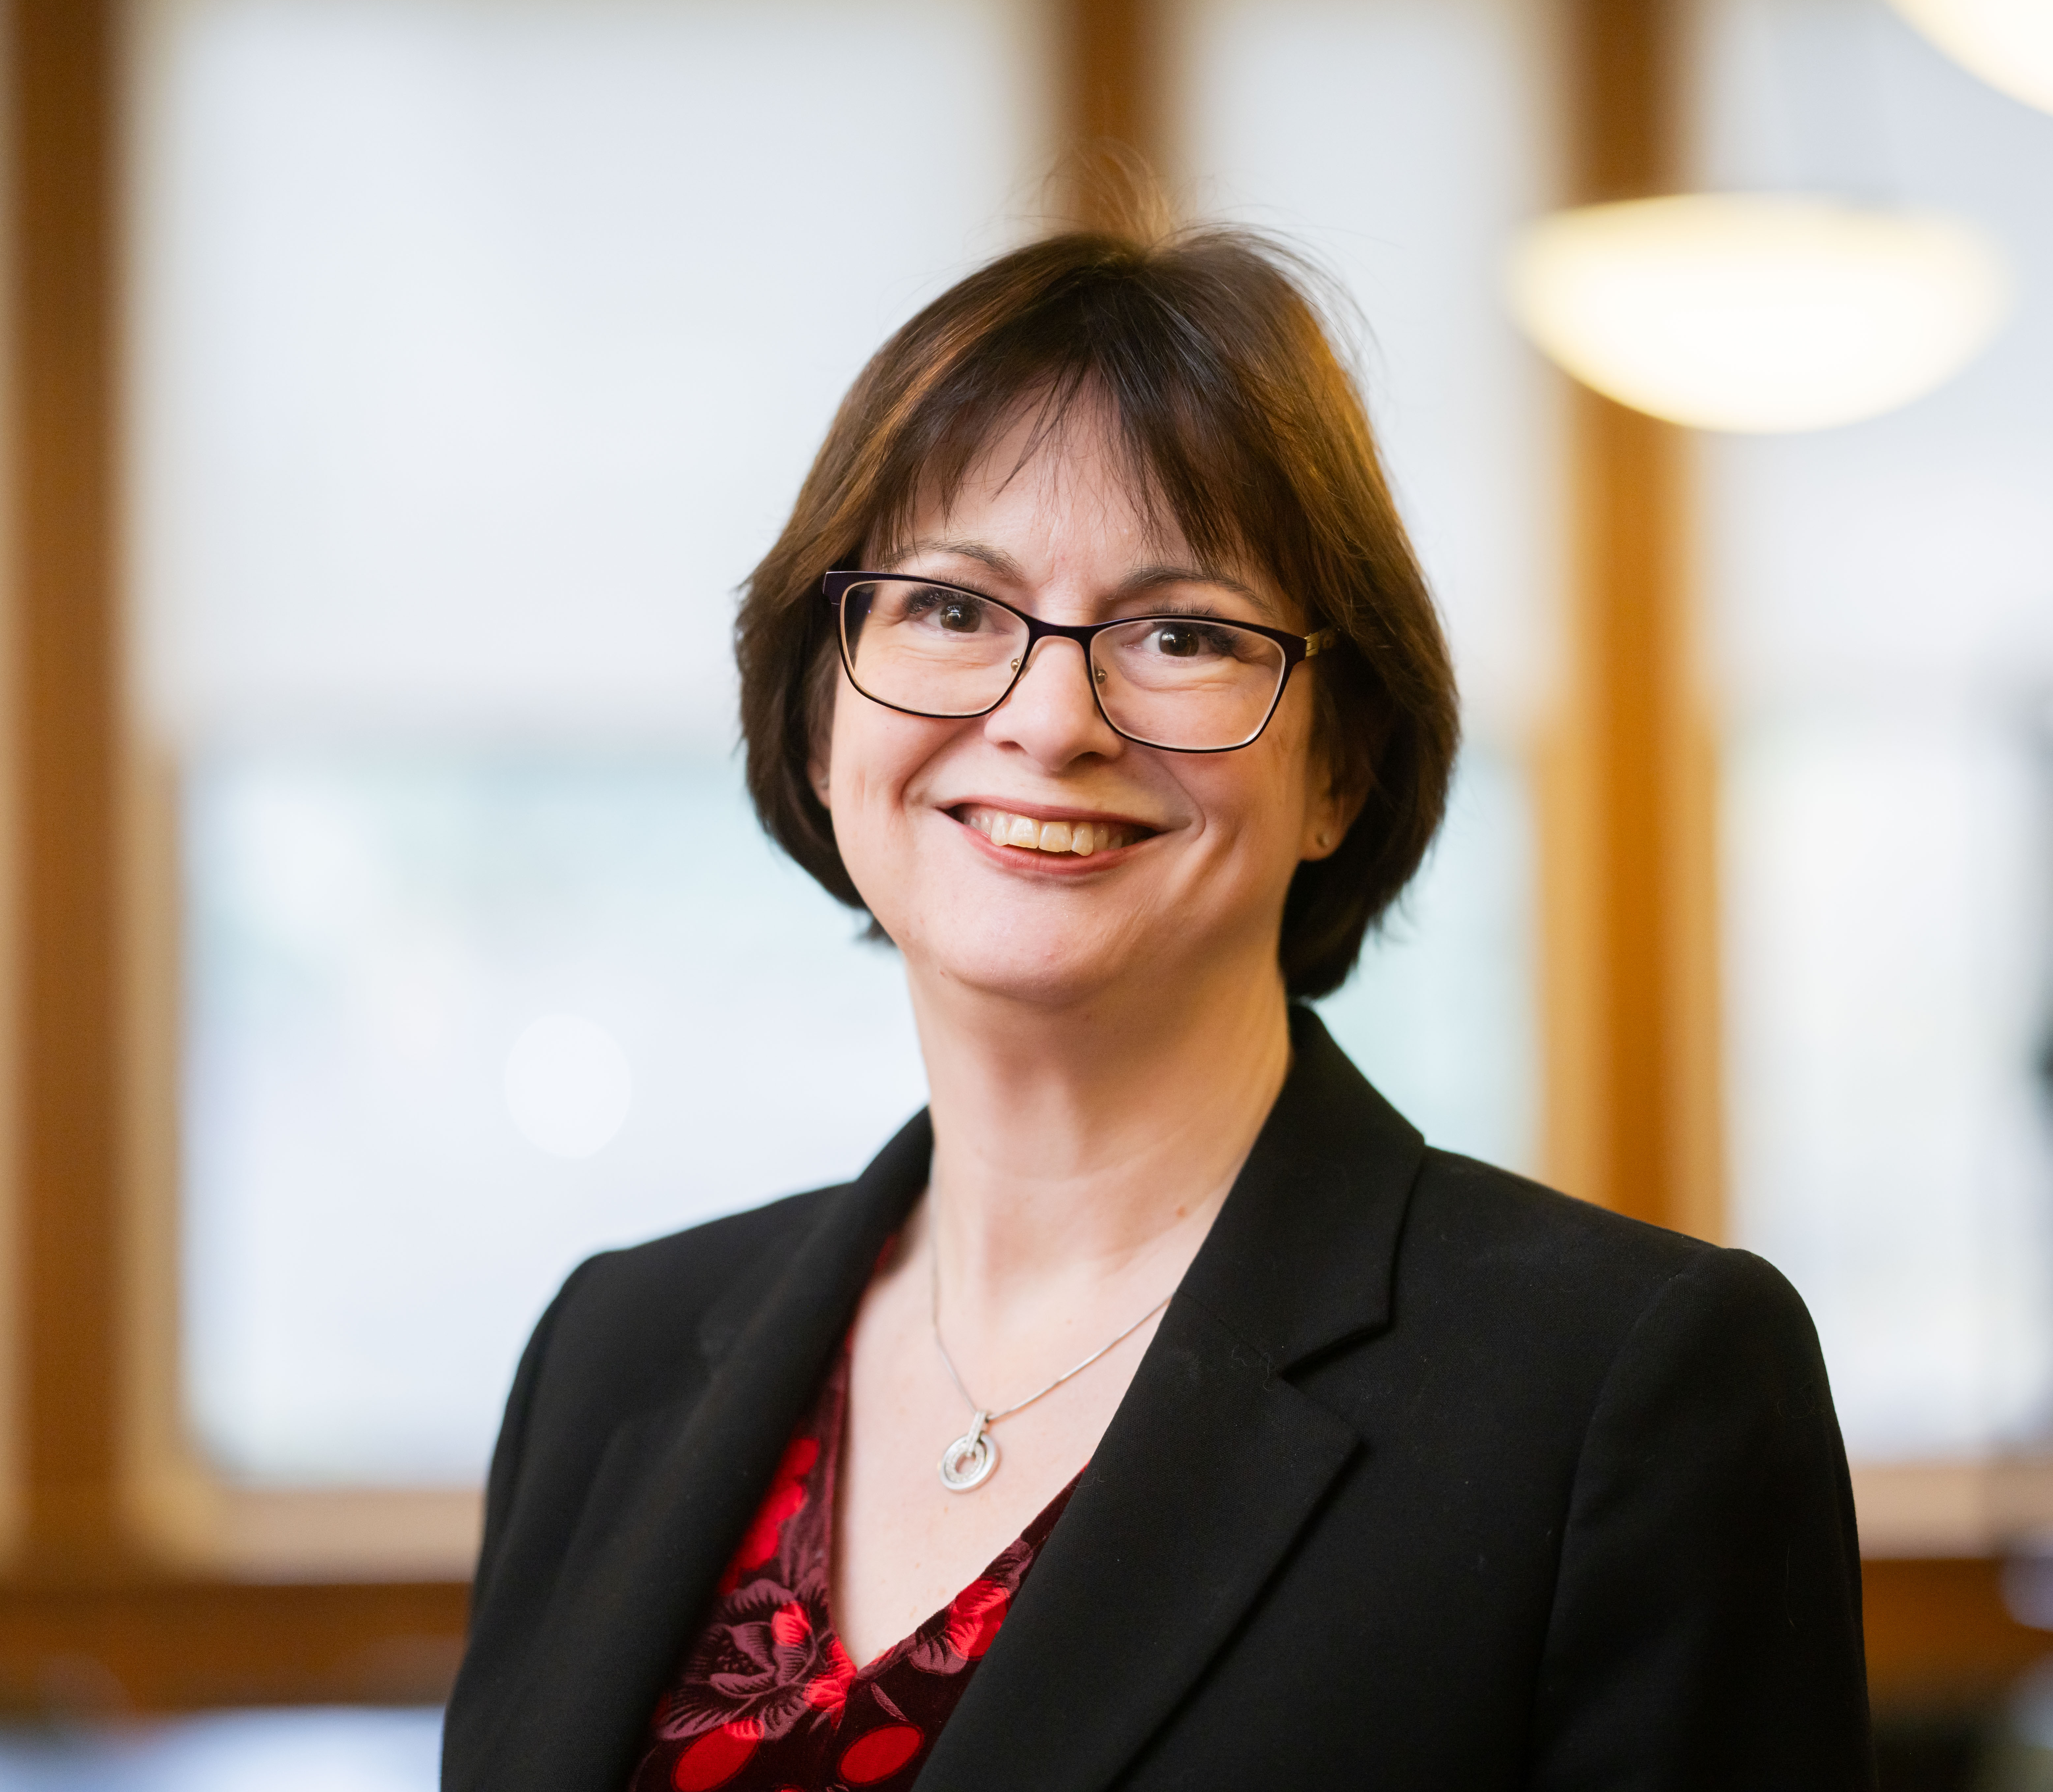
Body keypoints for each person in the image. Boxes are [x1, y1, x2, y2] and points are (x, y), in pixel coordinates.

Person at [440, 217, 1871, 1792]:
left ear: (1342, 765)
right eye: (951, 608)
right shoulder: (613, 1352)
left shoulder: (1622, 1390)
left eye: (1183, 633)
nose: (1051, 717)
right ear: (816, 701)